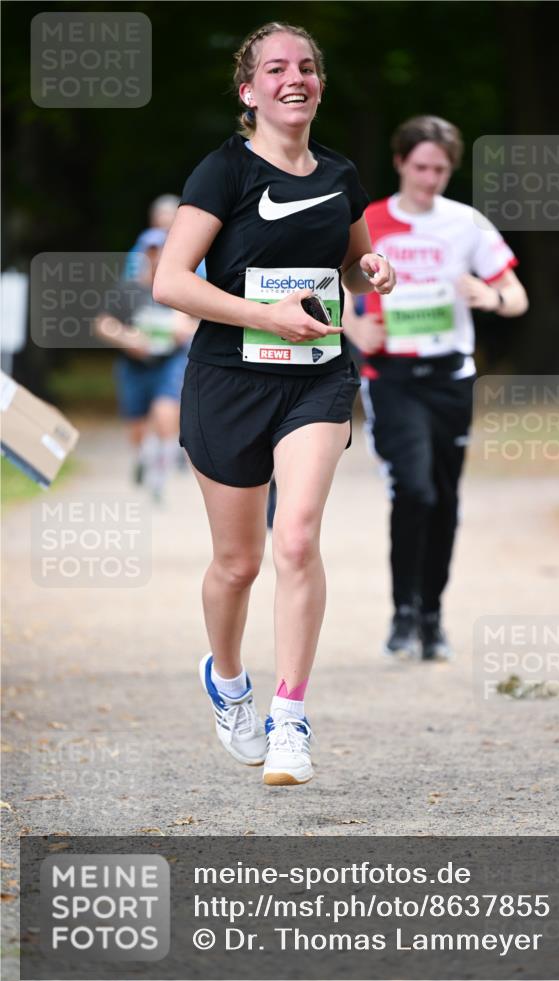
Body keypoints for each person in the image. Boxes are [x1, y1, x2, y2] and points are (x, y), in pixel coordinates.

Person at [153, 22, 395, 785]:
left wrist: (371, 270)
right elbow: (170, 281)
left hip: (315, 379)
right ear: (249, 90)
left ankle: (290, 717)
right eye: (277, 68)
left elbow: (350, 265)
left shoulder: (341, 173)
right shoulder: (223, 171)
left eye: (307, 67)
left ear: (319, 84)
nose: (295, 78)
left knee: (295, 539)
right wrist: (266, 315)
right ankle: (228, 683)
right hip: (228, 381)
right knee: (238, 563)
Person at [344, 115, 528, 661]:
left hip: (450, 376)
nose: (429, 178)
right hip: (392, 376)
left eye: (440, 170)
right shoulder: (370, 220)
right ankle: (403, 611)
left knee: (445, 497)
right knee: (414, 489)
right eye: (421, 166)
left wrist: (491, 297)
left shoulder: (466, 223)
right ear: (400, 162)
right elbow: (333, 287)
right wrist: (355, 328)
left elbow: (516, 295)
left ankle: (432, 615)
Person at [95, 229, 196, 501]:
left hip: (169, 363)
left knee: (166, 414)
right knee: (137, 428)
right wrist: (125, 337)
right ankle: (142, 457)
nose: (155, 257)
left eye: (160, 250)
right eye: (150, 251)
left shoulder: (180, 287)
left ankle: (159, 479)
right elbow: (103, 324)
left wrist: (181, 329)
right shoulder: (127, 289)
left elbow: (196, 323)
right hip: (134, 365)